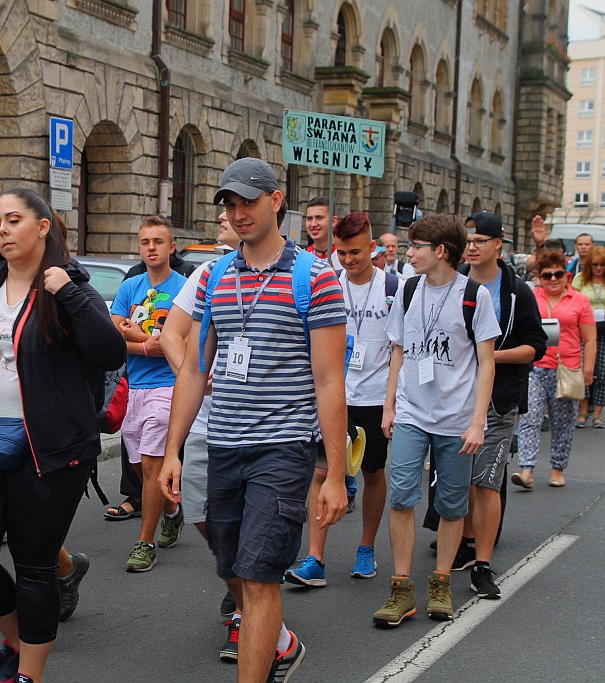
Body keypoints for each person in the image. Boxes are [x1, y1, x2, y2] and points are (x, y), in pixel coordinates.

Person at [160, 157, 349, 681]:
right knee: (230, 564)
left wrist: (334, 475)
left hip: (284, 446)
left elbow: (331, 381)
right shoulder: (215, 276)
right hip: (223, 442)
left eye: (249, 201)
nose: (239, 213)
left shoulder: (316, 277)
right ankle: (282, 644)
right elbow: (196, 370)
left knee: (259, 574)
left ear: (276, 200)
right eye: (231, 204)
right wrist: (173, 450)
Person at [0, 188, 124, 683]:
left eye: (13, 220)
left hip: (50, 448)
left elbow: (108, 352)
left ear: (42, 226)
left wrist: (68, 294)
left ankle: (28, 674)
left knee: (33, 565)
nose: (1, 230)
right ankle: (17, 641)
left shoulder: (69, 282)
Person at [375, 214, 500, 626]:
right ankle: (401, 587)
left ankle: (441, 582)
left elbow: (486, 363)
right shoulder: (409, 290)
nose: (408, 254)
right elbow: (397, 349)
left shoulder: (473, 296)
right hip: (413, 412)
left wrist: (478, 420)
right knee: (401, 496)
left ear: (440, 251)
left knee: (450, 504)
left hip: (456, 418)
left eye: (416, 247)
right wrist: (390, 405)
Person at [286, 211, 399, 591]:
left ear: (372, 248)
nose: (349, 260)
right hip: (334, 396)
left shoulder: (393, 288)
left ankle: (366, 547)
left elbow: (400, 349)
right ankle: (315, 557)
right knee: (321, 472)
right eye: (343, 253)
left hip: (374, 397)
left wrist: (392, 403)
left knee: (371, 473)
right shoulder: (329, 283)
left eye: (356, 252)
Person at [158, 210, 243, 659]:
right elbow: (171, 334)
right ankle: (239, 577)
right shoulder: (208, 274)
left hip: (261, 428)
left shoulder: (298, 272)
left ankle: (247, 614)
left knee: (250, 528)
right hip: (205, 420)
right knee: (201, 515)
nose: (226, 220)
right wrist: (194, 375)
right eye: (224, 213)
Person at [454, 211, 546, 599]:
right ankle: (461, 541)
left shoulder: (515, 290)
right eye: (468, 240)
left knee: (487, 480)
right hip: (451, 395)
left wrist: (492, 356)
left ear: (498, 245)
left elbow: (536, 346)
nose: (472, 247)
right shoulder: (450, 281)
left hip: (498, 398)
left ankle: (483, 565)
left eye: (479, 241)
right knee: (456, 477)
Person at [110, 215, 188, 572]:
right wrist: (148, 343)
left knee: (154, 462)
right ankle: (172, 509)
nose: (152, 248)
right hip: (134, 387)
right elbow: (114, 334)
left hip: (169, 386)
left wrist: (136, 334)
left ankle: (145, 543)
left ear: (171, 247)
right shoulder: (131, 286)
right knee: (142, 467)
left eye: (158, 242)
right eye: (145, 242)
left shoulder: (185, 287)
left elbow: (183, 337)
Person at [512, 250, 595, 488]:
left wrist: (587, 369)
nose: (553, 279)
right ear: (540, 276)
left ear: (567, 275)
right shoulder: (532, 297)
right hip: (534, 367)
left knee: (563, 422)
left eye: (558, 274)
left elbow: (589, 339)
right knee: (530, 418)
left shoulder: (580, 301)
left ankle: (558, 468)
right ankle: (526, 469)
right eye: (547, 275)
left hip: (566, 368)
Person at [571, 246, 605, 428]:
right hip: (585, 329)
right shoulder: (580, 279)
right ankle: (583, 410)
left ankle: (598, 414)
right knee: (586, 370)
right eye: (595, 265)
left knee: (602, 371)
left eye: (602, 265)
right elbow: (573, 301)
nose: (598, 268)